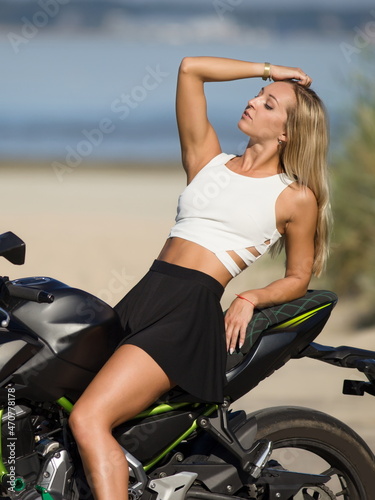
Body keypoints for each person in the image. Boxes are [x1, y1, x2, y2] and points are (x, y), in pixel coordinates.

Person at [69, 57, 331, 499]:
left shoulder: (293, 196)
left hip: (187, 314)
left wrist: (250, 297)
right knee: (57, 402)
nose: (253, 101)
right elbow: (191, 69)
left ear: (287, 133)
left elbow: (298, 278)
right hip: (144, 296)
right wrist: (268, 70)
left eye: (268, 105)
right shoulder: (207, 160)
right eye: (257, 95)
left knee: (88, 418)